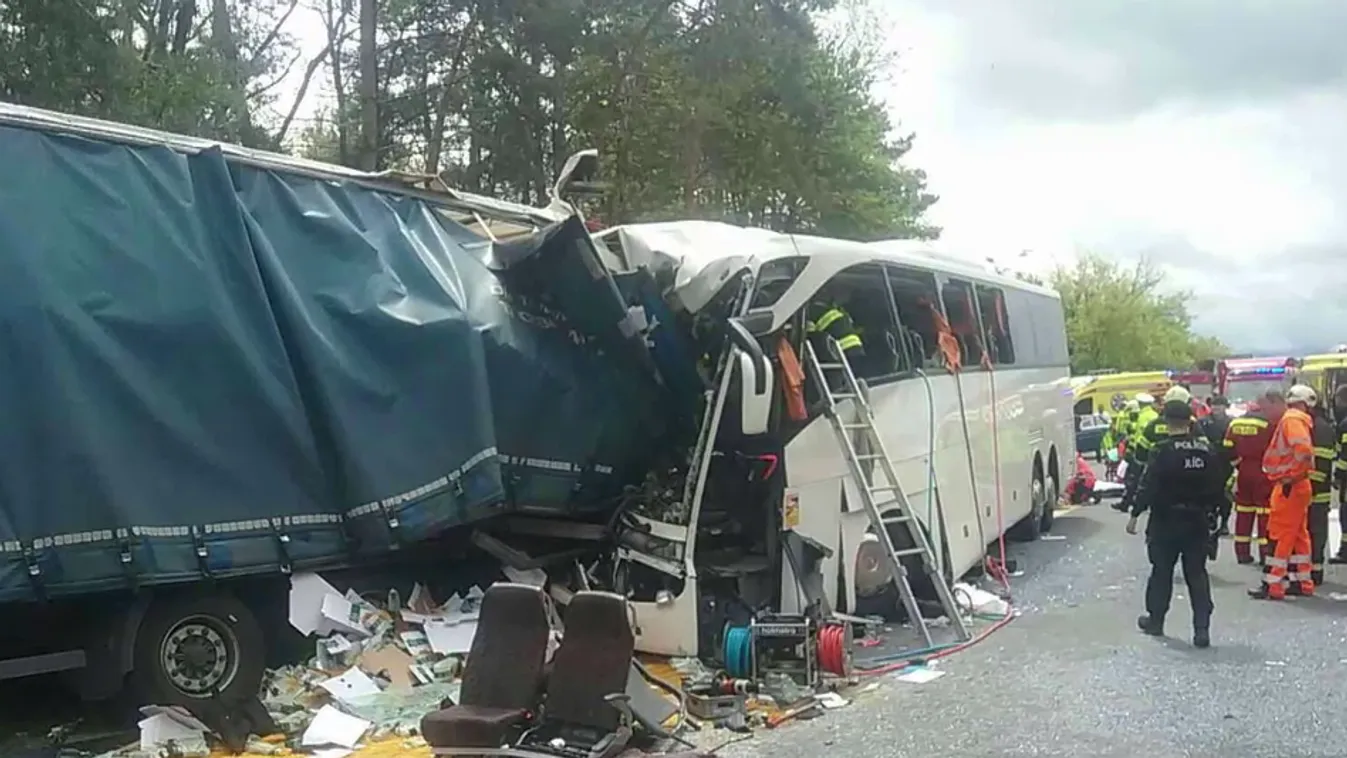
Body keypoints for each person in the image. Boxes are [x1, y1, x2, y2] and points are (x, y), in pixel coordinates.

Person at [1127, 399, 1222, 648]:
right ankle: (1202, 630)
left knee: (1161, 572)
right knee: (1197, 574)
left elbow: (1148, 485)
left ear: (1167, 422)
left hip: (1165, 520)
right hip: (1197, 520)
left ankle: (1156, 620)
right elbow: (1218, 485)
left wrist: (1135, 512)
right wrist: (1216, 515)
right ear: (1190, 421)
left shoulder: (1162, 450)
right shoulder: (1206, 450)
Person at [1250, 385, 1317, 600]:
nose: (1264, 414)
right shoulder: (1295, 420)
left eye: (1265, 409)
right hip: (1297, 486)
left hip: (1290, 487)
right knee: (1298, 536)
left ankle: (1272, 584)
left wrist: (1292, 475)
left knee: (1279, 535)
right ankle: (1302, 581)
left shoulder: (1290, 421)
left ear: (1276, 403)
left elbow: (1304, 451)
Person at [1223, 392, 1279, 564]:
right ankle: (1265, 554)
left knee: (1244, 511)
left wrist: (1237, 464)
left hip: (1243, 470)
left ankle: (1242, 553)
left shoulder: (1235, 423)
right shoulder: (1267, 424)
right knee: (1264, 512)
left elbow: (1227, 446)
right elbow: (1275, 447)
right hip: (1262, 470)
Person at [1115, 392, 1161, 513]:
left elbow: (1140, 437)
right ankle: (1133, 503)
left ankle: (1128, 503)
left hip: (1142, 452)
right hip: (1154, 452)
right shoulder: (1154, 415)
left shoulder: (1142, 417)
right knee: (1145, 479)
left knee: (1135, 479)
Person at [1307, 393, 1336, 584]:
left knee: (1311, 530)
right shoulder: (1323, 427)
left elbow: (1322, 464)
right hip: (1317, 490)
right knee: (1316, 530)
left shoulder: (1316, 428)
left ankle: (1311, 571)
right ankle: (1314, 571)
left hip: (1309, 490)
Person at [1197, 396, 1233, 535]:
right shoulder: (1203, 422)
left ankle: (1224, 522)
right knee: (1208, 492)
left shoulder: (1231, 423)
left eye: (1220, 405)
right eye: (1214, 405)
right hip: (1208, 462)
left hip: (1226, 462)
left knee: (1226, 495)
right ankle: (1210, 518)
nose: (1216, 408)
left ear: (1225, 407)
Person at [1330, 387, 1347, 565]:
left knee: (1346, 513)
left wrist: (1338, 476)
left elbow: (1344, 456)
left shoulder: (1345, 425)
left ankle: (1345, 551)